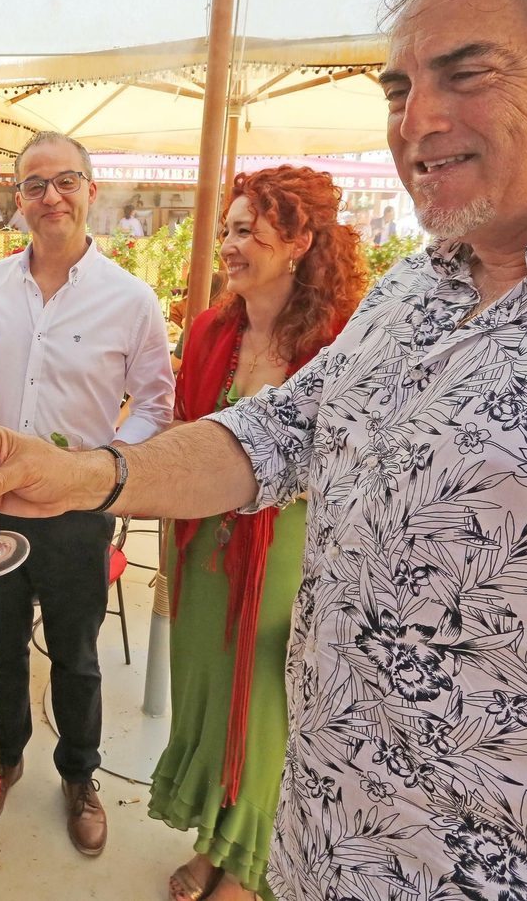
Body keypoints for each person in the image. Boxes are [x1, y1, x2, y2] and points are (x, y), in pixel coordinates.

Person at [0, 0, 527, 901]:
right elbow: (280, 432)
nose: (414, 122)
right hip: (326, 854)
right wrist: (95, 475)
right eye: (399, 89)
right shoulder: (421, 286)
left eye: (465, 73)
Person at [155, 166, 368, 901]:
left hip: (288, 548)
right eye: (228, 230)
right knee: (208, 688)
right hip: (201, 540)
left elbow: (352, 457)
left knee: (265, 699)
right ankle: (215, 840)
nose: (230, 245)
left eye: (247, 230)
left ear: (301, 241)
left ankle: (250, 862)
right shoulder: (214, 327)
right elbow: (185, 430)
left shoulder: (342, 341)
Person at [0, 130, 175, 856]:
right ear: (17, 198)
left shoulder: (131, 299)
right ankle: (5, 758)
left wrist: (98, 465)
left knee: (77, 653)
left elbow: (154, 404)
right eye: (34, 184)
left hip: (78, 511)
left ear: (90, 188)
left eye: (65, 181)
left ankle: (80, 775)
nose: (50, 196)